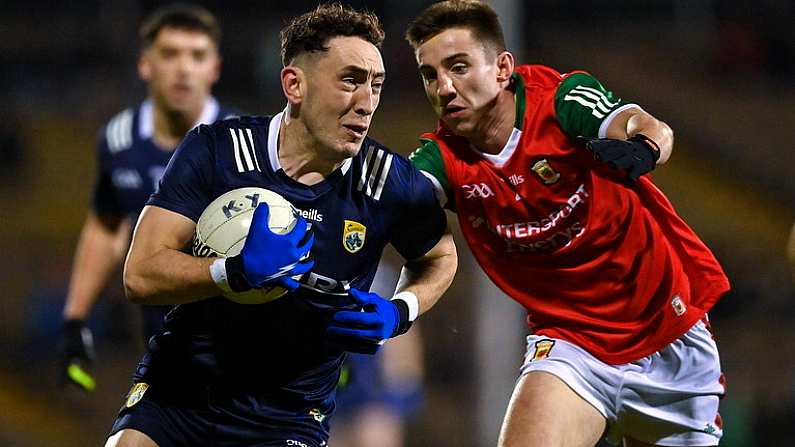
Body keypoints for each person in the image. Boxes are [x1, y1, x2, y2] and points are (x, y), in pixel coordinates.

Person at [106, 4, 457, 447]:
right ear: (294, 84)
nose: (366, 102)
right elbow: (140, 275)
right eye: (350, 80)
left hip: (288, 415)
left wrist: (400, 310)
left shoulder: (388, 183)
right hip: (180, 391)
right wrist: (229, 272)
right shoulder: (217, 151)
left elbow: (441, 255)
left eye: (376, 85)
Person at [405, 1, 730, 446]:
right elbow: (398, 199)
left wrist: (644, 148)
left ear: (502, 68)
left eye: (458, 67)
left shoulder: (561, 102)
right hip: (572, 346)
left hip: (668, 336)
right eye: (430, 74)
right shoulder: (441, 159)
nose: (444, 87)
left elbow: (645, 124)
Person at [59, 4, 235, 393]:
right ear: (145, 64)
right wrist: (75, 319)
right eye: (170, 54)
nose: (184, 69)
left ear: (215, 68)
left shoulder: (242, 143)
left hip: (240, 344)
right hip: (162, 342)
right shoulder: (118, 139)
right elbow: (107, 225)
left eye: (197, 55)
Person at [330, 255, 425, 447]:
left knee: (374, 432)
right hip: (310, 395)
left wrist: (392, 404)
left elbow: (404, 349)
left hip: (366, 398)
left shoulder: (377, 278)